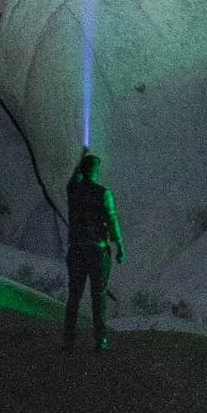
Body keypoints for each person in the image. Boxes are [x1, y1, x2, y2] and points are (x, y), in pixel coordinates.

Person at [62, 147, 124, 351]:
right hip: (98, 251)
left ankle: (69, 337)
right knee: (98, 296)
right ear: (95, 171)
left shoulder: (74, 191)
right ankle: (100, 338)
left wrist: (80, 158)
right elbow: (112, 220)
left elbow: (73, 181)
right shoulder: (103, 194)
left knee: (75, 294)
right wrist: (120, 247)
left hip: (77, 250)